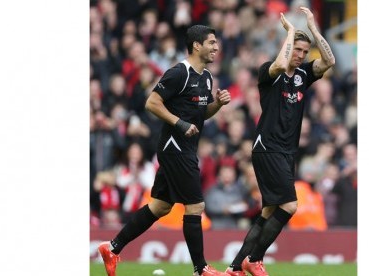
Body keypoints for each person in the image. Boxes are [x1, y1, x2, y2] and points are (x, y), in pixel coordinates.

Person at [98, 24, 231, 276]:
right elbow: (152, 102)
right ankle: (201, 269)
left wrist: (217, 105)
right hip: (175, 148)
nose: (216, 47)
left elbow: (201, 115)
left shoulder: (206, 77)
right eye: (212, 43)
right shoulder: (178, 73)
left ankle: (112, 247)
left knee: (160, 206)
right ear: (197, 45)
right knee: (195, 206)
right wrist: (179, 124)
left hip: (186, 148)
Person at [225, 7, 335, 276]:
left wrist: (311, 26)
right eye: (296, 50)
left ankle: (234, 268)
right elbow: (279, 64)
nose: (300, 55)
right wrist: (288, 33)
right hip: (268, 147)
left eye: (303, 52)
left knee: (268, 212)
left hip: (287, 152)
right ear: (288, 48)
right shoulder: (268, 74)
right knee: (290, 205)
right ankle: (255, 259)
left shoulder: (303, 76)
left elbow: (329, 61)